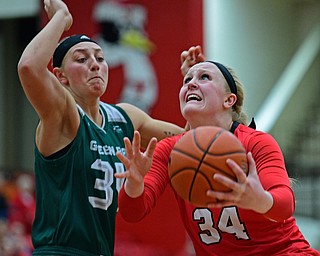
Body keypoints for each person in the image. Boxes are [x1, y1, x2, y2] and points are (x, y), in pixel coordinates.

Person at [17, 0, 185, 255]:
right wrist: (60, 18)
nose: (95, 64)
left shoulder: (124, 116)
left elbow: (189, 141)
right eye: (82, 59)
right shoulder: (63, 113)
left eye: (100, 58)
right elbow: (29, 67)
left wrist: (194, 87)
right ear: (61, 76)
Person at [115, 50, 320, 255]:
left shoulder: (256, 142)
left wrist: (259, 200)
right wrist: (134, 183)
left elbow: (285, 205)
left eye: (204, 77)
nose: (190, 84)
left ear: (229, 100)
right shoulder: (171, 149)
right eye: (187, 80)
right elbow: (132, 212)